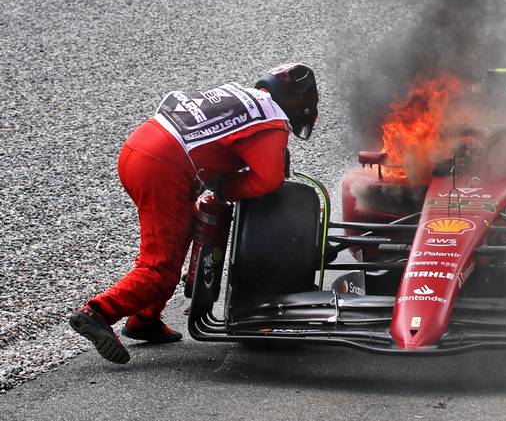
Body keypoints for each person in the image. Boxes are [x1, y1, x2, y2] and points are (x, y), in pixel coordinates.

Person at [68, 64, 319, 364]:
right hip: (162, 169)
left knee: (183, 229)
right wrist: (226, 191)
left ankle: (145, 320)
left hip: (137, 149)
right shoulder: (270, 122)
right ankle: (98, 312)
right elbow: (269, 178)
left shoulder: (241, 95)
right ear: (296, 102)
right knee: (160, 268)